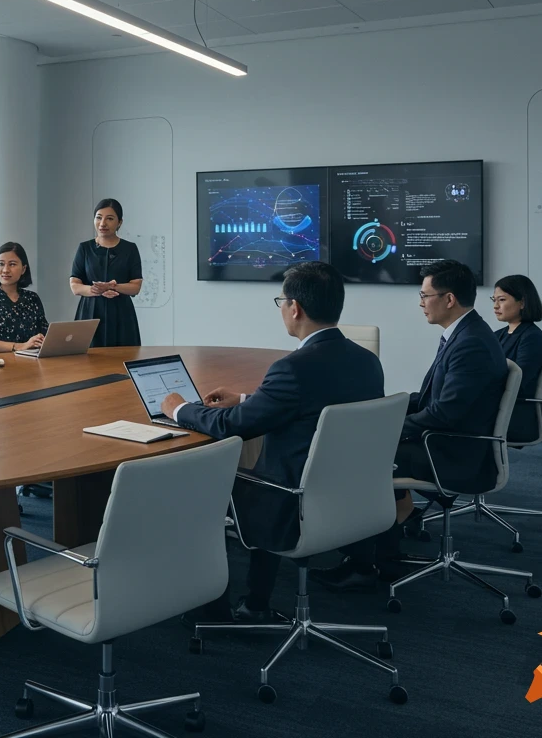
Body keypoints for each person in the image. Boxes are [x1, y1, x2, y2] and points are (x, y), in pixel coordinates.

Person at [157, 262, 384, 623]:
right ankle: (255, 601)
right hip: (350, 496)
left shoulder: (293, 368)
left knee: (198, 488)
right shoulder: (367, 361)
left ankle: (217, 612)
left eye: (281, 301)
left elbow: (232, 426)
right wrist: (248, 398)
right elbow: (312, 406)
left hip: (291, 498)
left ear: (295, 308)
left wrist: (179, 408)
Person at [314, 259, 508, 592]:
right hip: (451, 439)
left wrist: (386, 426)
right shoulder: (464, 332)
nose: (420, 302)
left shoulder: (471, 343)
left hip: (452, 451)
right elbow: (433, 398)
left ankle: (368, 560)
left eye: (425, 295)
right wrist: (387, 408)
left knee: (361, 458)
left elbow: (445, 414)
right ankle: (388, 531)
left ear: (449, 299)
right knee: (370, 448)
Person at [70, 198, 143, 347]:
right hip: (90, 310)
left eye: (109, 218)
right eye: (98, 217)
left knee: (123, 358)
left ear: (120, 222)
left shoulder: (130, 249)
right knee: (87, 362)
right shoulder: (85, 248)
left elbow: (136, 286)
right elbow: (75, 285)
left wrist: (113, 287)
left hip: (121, 312)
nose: (103, 223)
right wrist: (96, 290)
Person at [491, 274, 542, 444]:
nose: (495, 306)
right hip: (493, 406)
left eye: (501, 300)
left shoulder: (532, 337)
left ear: (522, 302)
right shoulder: (497, 336)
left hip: (513, 412)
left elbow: (517, 382)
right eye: (493, 300)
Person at [0, 241, 49, 353]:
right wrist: (21, 346)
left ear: (23, 269)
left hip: (30, 360)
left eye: (12, 264)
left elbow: (44, 332)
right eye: (1, 264)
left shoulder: (32, 298)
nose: (5, 270)